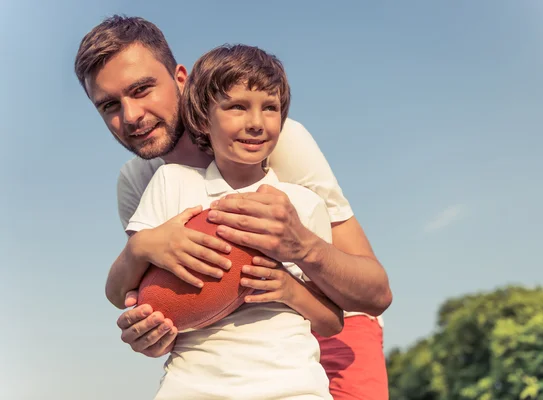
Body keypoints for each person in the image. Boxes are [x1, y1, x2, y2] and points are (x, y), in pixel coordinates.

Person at [75, 15, 392, 399]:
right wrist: (154, 334)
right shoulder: (140, 182)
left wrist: (302, 249)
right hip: (227, 357)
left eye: (142, 89)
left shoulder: (275, 140)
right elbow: (164, 301)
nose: (131, 116)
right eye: (109, 105)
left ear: (180, 78)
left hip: (330, 325)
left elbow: (374, 293)